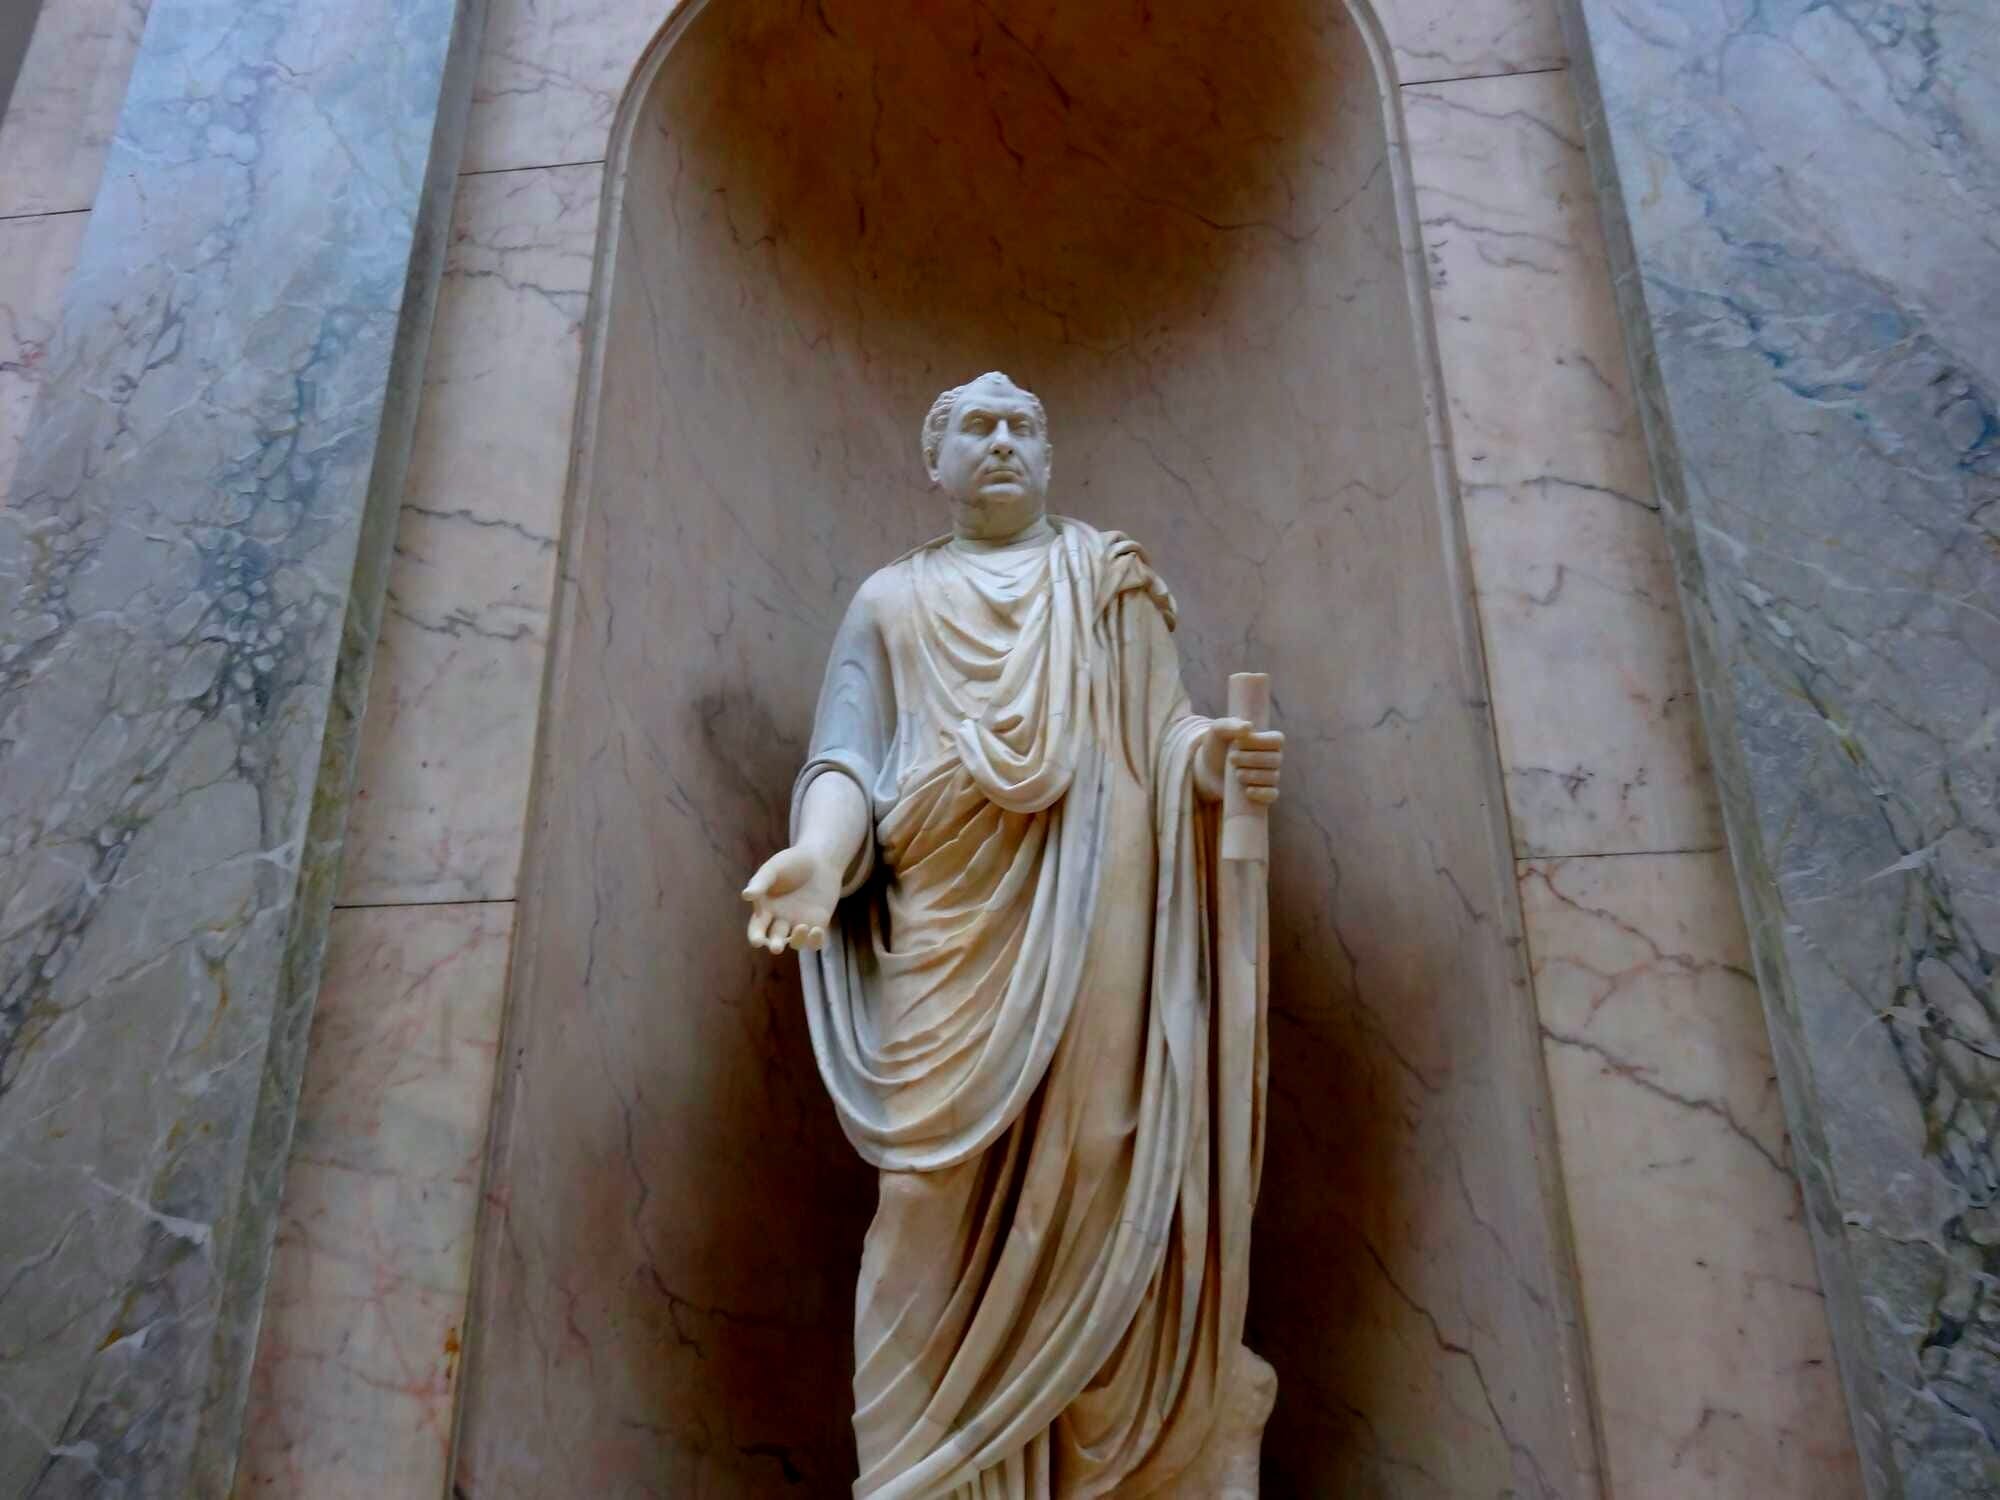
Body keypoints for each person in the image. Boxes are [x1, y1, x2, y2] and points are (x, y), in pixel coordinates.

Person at [744, 372, 1283, 1498]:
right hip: (942, 914)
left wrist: (1211, 762)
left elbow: (1162, 734)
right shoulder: (888, 601)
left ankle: (1116, 1457)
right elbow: (846, 756)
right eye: (973, 429)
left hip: (1099, 893)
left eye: (1021, 427)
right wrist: (819, 856)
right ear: (931, 464)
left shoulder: (1108, 581)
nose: (999, 442)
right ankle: (904, 1476)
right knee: (920, 1191)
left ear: (1047, 455)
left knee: (1096, 1164)